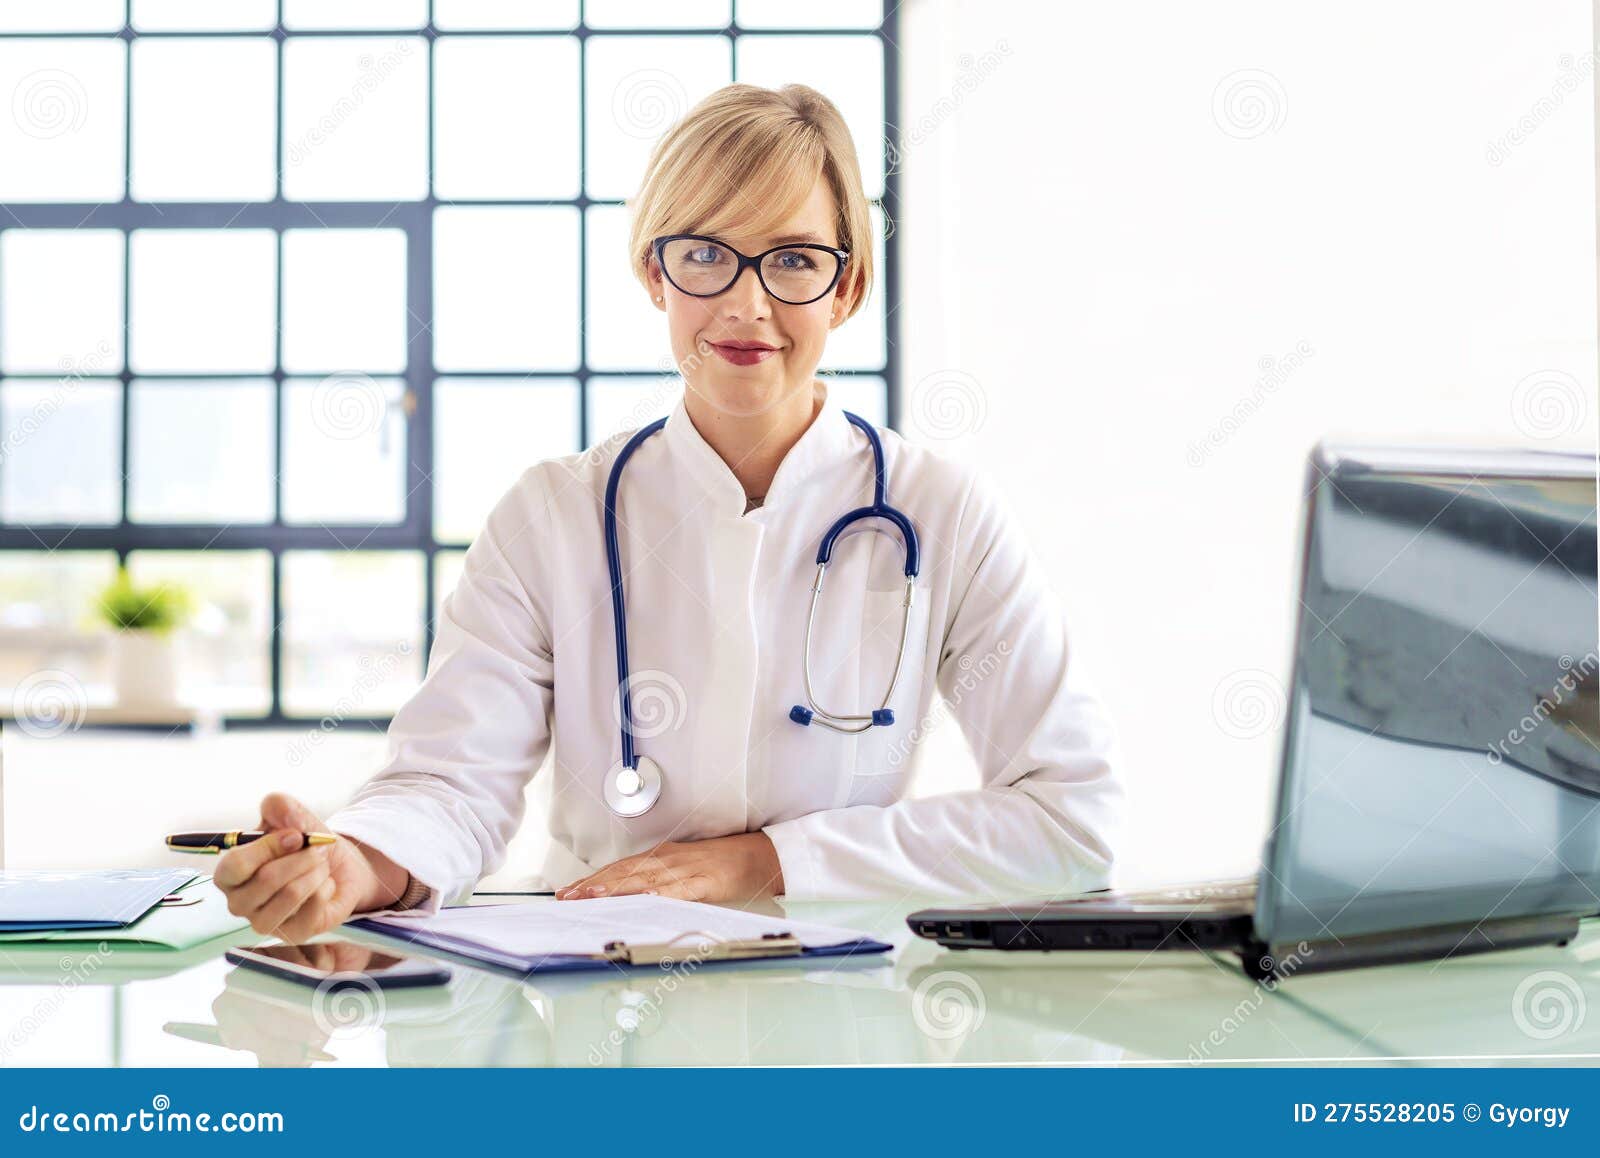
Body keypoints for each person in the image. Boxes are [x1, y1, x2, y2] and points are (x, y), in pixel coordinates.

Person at [216, 83, 1123, 941]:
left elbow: (1069, 821)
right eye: (705, 255)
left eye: (796, 259)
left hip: (839, 1006)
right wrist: (360, 866)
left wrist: (766, 862)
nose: (746, 301)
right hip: (596, 993)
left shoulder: (941, 512)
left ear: (847, 288)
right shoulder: (555, 513)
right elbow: (452, 783)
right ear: (655, 273)